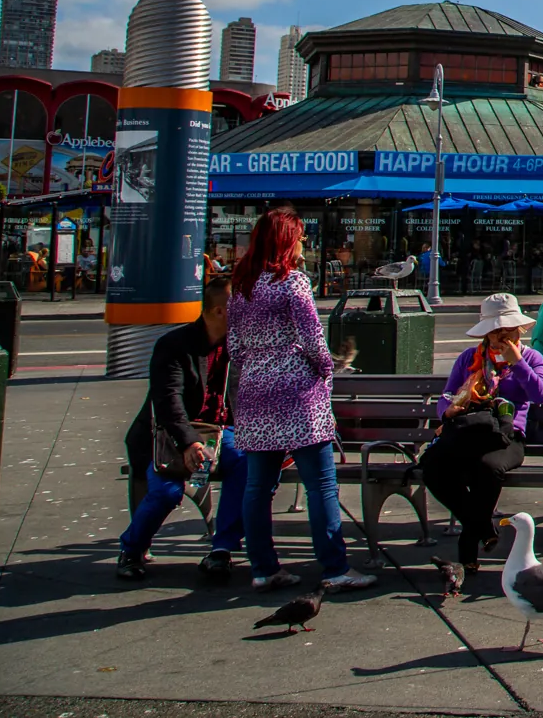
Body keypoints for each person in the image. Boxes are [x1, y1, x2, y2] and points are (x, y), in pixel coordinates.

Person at [225, 208, 373, 593]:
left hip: (256, 390)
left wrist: (259, 364)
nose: (304, 242)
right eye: (301, 236)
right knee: (321, 484)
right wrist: (326, 369)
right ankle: (334, 567)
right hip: (297, 390)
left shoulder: (241, 285)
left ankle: (263, 567)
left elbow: (235, 348)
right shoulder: (293, 283)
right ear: (288, 241)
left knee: (258, 487)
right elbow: (313, 340)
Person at [118, 276, 245, 580]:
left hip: (219, 433)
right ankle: (132, 549)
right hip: (171, 434)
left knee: (246, 464)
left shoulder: (239, 346)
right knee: (166, 492)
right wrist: (189, 442)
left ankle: (221, 549)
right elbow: (167, 401)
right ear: (219, 311)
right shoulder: (175, 345)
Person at [423, 294, 543, 573]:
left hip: (508, 435)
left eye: (505, 330)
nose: (498, 337)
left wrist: (517, 363)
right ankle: (482, 526)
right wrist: (449, 410)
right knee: (431, 465)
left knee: (487, 467)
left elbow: (539, 394)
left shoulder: (530, 357)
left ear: (520, 330)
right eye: (493, 331)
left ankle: (467, 550)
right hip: (469, 430)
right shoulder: (470, 357)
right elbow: (446, 395)